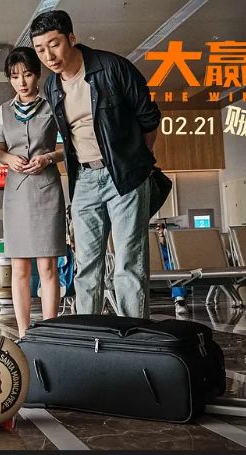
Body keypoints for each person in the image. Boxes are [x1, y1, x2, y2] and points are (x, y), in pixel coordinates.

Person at [31, 11, 161, 319]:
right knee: (86, 265)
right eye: (40, 49)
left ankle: (132, 332)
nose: (49, 56)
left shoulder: (113, 68)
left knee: (129, 262)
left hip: (125, 176)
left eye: (54, 44)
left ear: (71, 39)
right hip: (84, 179)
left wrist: (137, 162)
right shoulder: (52, 86)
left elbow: (149, 118)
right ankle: (88, 333)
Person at [0, 47, 67, 337]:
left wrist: (47, 158)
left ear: (37, 74)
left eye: (27, 74)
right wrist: (8, 159)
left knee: (47, 265)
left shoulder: (53, 106)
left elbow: (67, 148)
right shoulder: (2, 111)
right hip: (16, 193)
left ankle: (50, 332)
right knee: (19, 267)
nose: (21, 82)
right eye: (14, 76)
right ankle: (24, 334)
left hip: (46, 190)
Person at [156, 224, 189, 314]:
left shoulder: (169, 241)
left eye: (161, 228)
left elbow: (172, 256)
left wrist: (163, 241)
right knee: (173, 264)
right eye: (157, 228)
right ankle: (180, 299)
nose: (159, 231)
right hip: (151, 264)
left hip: (167, 264)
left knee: (174, 265)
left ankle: (180, 299)